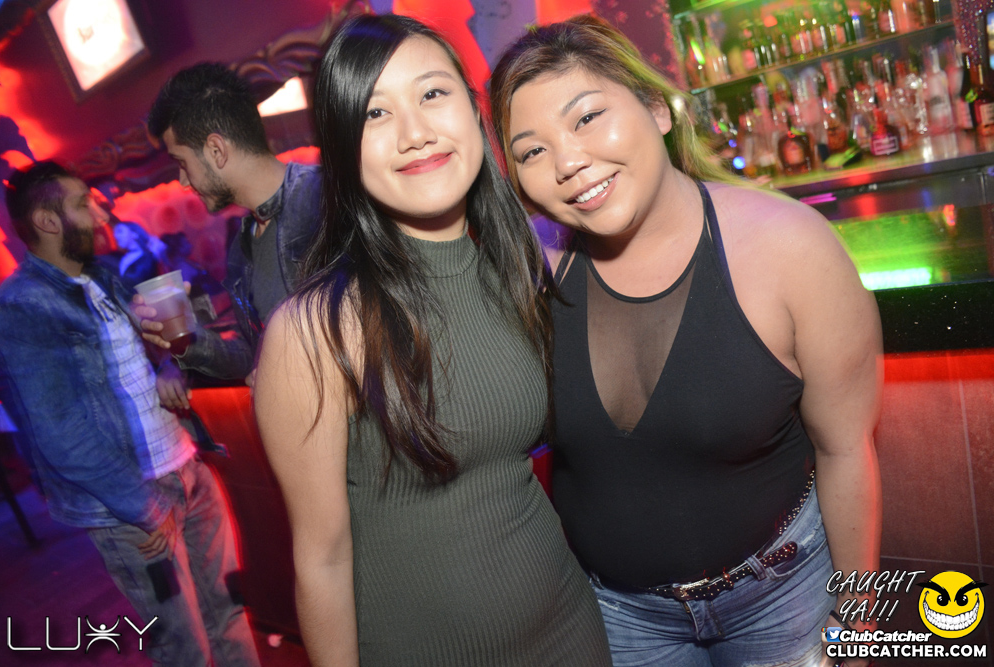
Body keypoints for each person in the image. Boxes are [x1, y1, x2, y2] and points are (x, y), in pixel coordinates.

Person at [489, 16, 883, 667]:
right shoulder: (526, 273)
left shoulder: (791, 247)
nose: (568, 162)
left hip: (782, 598)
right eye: (532, 151)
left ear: (656, 108)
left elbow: (846, 449)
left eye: (587, 117)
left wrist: (860, 622)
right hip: (619, 617)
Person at [253, 15, 612, 667]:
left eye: (432, 94)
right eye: (375, 113)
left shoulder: (521, 270)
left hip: (572, 633)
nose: (415, 132)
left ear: (474, 112)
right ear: (343, 147)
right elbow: (322, 559)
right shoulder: (315, 332)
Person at [0, 161, 261, 667]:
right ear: (48, 221)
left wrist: (166, 367)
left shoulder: (102, 277)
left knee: (229, 610)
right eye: (83, 204)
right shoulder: (22, 305)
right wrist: (140, 506)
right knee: (183, 645)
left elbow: (136, 357)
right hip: (135, 506)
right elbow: (59, 431)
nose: (100, 213)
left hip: (187, 468)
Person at [139, 62, 321, 382]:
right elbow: (252, 352)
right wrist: (188, 339)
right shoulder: (242, 246)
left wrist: (287, 374)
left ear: (216, 150)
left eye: (182, 162)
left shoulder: (325, 197)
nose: (183, 180)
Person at [107, 220, 160, 290]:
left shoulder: (148, 259)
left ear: (134, 234)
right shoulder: (118, 256)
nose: (115, 235)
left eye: (120, 231)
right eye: (115, 232)